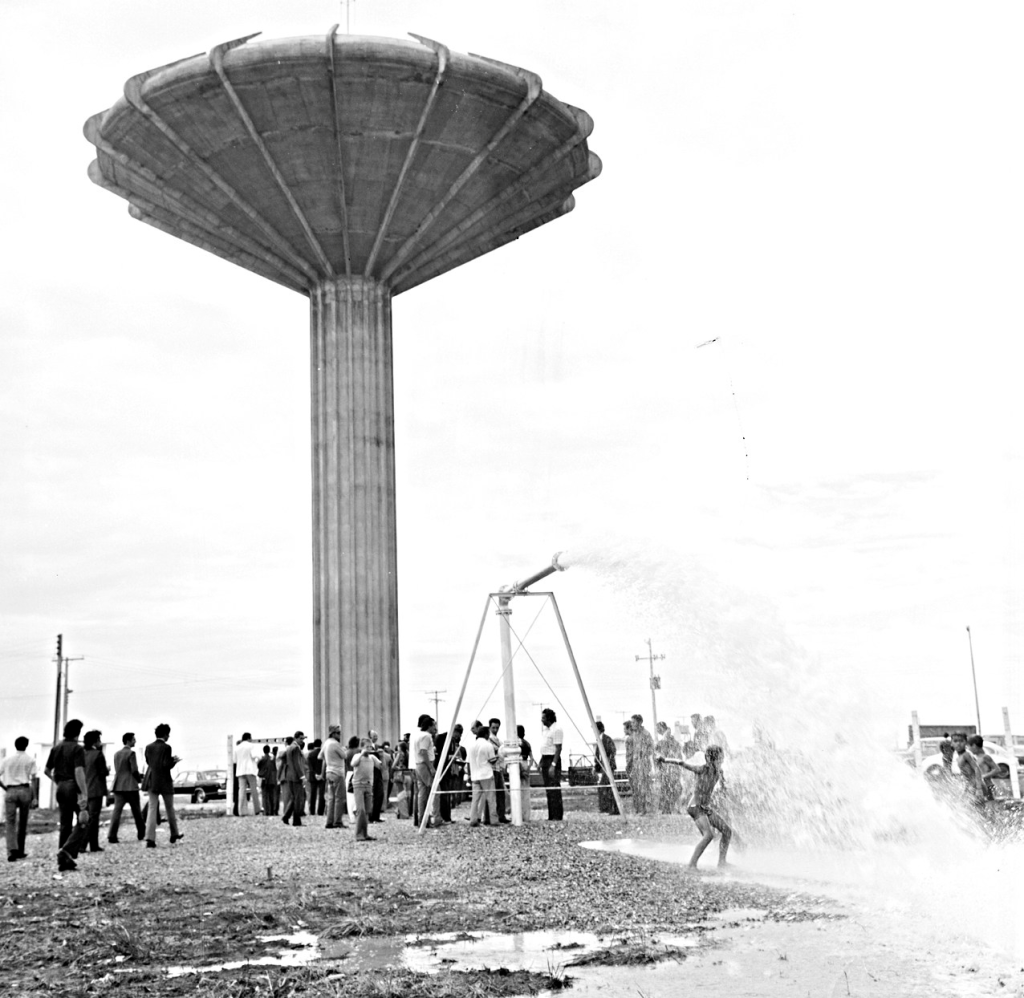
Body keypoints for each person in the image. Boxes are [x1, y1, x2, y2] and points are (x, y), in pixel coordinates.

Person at [657, 744, 733, 870]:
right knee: (708, 835)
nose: (722, 761)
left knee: (727, 831)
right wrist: (664, 760)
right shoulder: (701, 769)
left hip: (705, 807)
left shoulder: (719, 772)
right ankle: (692, 864)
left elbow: (722, 788)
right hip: (695, 806)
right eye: (719, 758)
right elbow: (682, 763)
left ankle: (722, 862)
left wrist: (724, 791)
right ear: (709, 759)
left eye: (722, 758)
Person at [45, 718, 90, 871]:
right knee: (84, 819)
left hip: (61, 787)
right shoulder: (77, 749)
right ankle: (68, 850)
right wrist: (84, 793)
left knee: (65, 823)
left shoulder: (56, 748)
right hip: (73, 787)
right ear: (78, 733)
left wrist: (57, 782)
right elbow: (79, 771)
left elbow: (46, 770)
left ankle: (63, 859)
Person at [143, 723, 182, 847]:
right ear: (165, 734)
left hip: (152, 780)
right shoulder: (166, 747)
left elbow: (149, 761)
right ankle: (174, 833)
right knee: (169, 808)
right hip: (165, 780)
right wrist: (173, 761)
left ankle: (150, 838)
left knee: (152, 808)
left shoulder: (148, 747)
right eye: (168, 734)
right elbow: (166, 764)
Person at [1, 736, 37, 861]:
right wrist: (34, 797)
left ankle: (12, 850)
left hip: (10, 790)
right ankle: (20, 850)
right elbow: (33, 779)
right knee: (23, 822)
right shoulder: (30, 759)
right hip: (24, 790)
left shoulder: (6, 760)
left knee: (10, 822)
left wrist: (6, 788)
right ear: (26, 745)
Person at [107, 732, 146, 843]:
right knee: (136, 811)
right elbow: (134, 770)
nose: (135, 741)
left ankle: (112, 835)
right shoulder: (131, 754)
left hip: (118, 786)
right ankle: (141, 833)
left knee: (117, 811)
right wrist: (139, 780)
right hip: (130, 786)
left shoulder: (116, 754)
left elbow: (119, 770)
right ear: (128, 741)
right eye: (134, 739)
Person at [82, 730, 109, 853]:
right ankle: (91, 844)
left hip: (84, 789)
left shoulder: (82, 753)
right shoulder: (98, 754)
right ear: (95, 741)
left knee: (85, 818)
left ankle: (84, 844)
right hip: (96, 789)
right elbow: (103, 772)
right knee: (94, 818)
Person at [467, 721, 499, 827]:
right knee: (491, 798)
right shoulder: (487, 745)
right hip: (486, 774)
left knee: (475, 799)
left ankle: (473, 819)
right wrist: (499, 756)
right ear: (486, 734)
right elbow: (492, 760)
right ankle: (494, 820)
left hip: (475, 775)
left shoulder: (471, 745)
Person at [414, 714, 442, 829]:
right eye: (433, 725)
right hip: (425, 765)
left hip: (418, 765)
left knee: (423, 793)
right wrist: (431, 767)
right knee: (436, 790)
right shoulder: (426, 736)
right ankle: (436, 817)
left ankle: (422, 820)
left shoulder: (418, 735)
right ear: (429, 726)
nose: (434, 727)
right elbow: (423, 752)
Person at [351, 738, 381, 841]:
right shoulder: (357, 756)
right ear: (361, 747)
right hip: (358, 785)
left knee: (368, 810)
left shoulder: (372, 757)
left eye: (370, 747)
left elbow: (381, 765)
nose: (368, 749)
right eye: (366, 747)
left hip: (369, 785)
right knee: (361, 810)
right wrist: (361, 755)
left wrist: (380, 754)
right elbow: (353, 763)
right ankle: (358, 834)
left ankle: (365, 833)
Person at [538, 708, 563, 821]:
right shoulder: (546, 730)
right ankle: (551, 815)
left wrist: (553, 764)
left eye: (543, 718)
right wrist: (541, 761)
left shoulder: (556, 729)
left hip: (552, 760)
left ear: (549, 718)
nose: (541, 720)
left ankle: (557, 815)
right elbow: (545, 747)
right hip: (545, 759)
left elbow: (558, 748)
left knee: (554, 788)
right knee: (548, 788)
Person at [322, 725, 348, 829]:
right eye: (338, 733)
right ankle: (337, 821)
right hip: (338, 772)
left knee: (331, 798)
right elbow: (344, 756)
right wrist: (344, 749)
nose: (339, 735)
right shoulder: (335, 744)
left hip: (329, 772)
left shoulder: (326, 743)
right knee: (339, 798)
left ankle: (329, 821)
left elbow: (320, 756)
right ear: (333, 733)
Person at [628, 713, 655, 815]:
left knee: (643, 786)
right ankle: (638, 808)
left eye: (634, 722)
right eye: (631, 722)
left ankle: (644, 809)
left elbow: (651, 748)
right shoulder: (634, 734)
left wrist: (644, 753)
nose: (632, 724)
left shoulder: (646, 734)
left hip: (643, 763)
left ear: (639, 722)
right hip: (635, 764)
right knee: (636, 787)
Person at [280, 731, 308, 826]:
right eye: (300, 738)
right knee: (298, 799)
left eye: (303, 739)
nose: (302, 740)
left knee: (293, 798)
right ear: (295, 738)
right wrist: (302, 776)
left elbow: (284, 759)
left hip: (289, 775)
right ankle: (296, 820)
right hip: (296, 776)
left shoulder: (289, 747)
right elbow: (297, 763)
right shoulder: (296, 748)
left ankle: (286, 816)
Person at [656, 721, 682, 814]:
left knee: (667, 788)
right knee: (670, 788)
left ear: (662, 728)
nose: (657, 731)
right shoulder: (674, 741)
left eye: (658, 729)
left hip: (668, 768)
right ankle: (672, 808)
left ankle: (668, 808)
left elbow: (658, 755)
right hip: (672, 767)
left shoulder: (663, 741)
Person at [234, 732, 262, 816]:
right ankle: (256, 809)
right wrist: (257, 762)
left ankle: (241, 811)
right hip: (250, 770)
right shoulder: (251, 746)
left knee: (241, 791)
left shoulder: (237, 748)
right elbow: (255, 756)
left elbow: (235, 760)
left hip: (240, 771)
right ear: (249, 738)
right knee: (254, 790)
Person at [594, 720, 619, 815]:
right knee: (603, 787)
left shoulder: (607, 739)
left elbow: (613, 751)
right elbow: (598, 755)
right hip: (602, 767)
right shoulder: (599, 739)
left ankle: (614, 809)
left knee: (609, 787)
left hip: (608, 767)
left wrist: (608, 763)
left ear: (599, 729)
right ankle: (605, 808)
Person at [517, 724, 535, 821]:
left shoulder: (516, 743)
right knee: (526, 792)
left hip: (517, 764)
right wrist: (528, 768)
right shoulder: (527, 744)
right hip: (525, 763)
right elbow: (532, 758)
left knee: (517, 791)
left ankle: (518, 814)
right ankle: (526, 815)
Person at [258, 745, 280, 815]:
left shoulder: (262, 759)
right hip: (272, 779)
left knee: (265, 796)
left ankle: (266, 811)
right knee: (272, 795)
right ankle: (272, 811)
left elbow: (258, 766)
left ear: (263, 750)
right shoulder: (272, 759)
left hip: (264, 779)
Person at [307, 739, 325, 817]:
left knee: (313, 794)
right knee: (321, 794)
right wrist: (321, 774)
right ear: (321, 744)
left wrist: (314, 774)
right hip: (322, 776)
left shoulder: (310, 754)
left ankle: (312, 811)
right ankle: (320, 811)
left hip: (313, 776)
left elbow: (310, 766)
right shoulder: (323, 753)